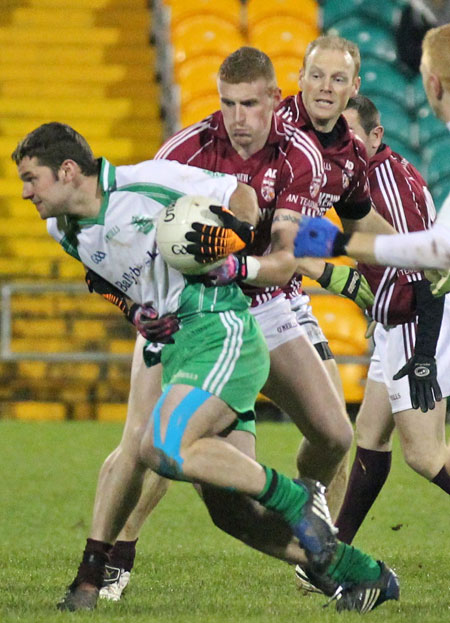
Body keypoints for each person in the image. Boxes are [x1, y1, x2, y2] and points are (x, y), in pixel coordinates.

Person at [12, 121, 399, 614]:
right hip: (178, 349)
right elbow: (100, 276)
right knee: (230, 512)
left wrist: (228, 241)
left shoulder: (148, 181)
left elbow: (240, 197)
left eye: (32, 179)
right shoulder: (61, 227)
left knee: (157, 444)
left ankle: (293, 498)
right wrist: (136, 312)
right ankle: (359, 574)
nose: (26, 193)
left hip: (221, 331)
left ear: (67, 171)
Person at [94, 44, 376, 601]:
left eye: (336, 79)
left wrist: (394, 265)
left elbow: (299, 245)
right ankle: (111, 558)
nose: (238, 118)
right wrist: (141, 303)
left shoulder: (329, 156)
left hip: (269, 301)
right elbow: (137, 227)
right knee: (146, 440)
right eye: (228, 104)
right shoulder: (188, 149)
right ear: (298, 84)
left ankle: (309, 513)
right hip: (190, 308)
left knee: (335, 433)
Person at [330, 94, 450, 546]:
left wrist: (423, 353)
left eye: (351, 136)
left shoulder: (385, 180)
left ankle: (332, 553)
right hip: (396, 322)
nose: (342, 146)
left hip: (419, 318)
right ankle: (334, 554)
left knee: (424, 454)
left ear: (376, 135)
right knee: (370, 435)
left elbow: (425, 269)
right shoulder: (362, 177)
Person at [293, 25, 450, 276]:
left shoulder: (349, 153)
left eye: (338, 79)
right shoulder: (281, 138)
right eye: (316, 76)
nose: (326, 87)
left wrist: (338, 244)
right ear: (301, 77)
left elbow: (360, 219)